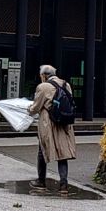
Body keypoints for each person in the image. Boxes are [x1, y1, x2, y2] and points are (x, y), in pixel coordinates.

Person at [29, 64, 77, 192]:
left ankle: (41, 181)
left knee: (42, 150)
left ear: (44, 75)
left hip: (49, 123)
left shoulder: (43, 87)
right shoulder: (66, 84)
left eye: (41, 75)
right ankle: (63, 184)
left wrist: (28, 109)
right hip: (64, 123)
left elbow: (35, 107)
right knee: (63, 153)